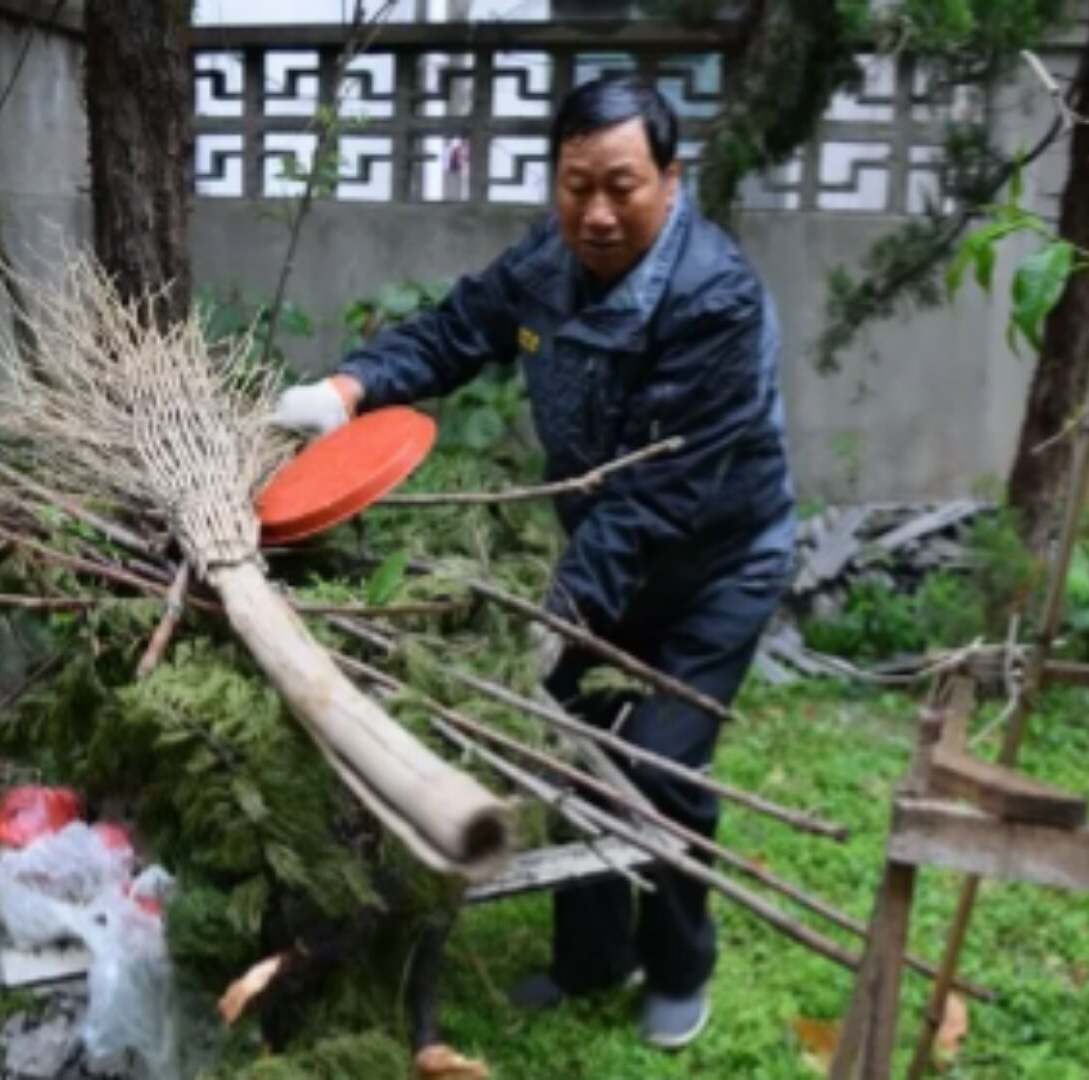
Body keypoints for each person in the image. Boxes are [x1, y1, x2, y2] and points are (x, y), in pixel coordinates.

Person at [271, 75, 795, 1050]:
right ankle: (595, 957)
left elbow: (657, 496)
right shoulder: (547, 266)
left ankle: (680, 967)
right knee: (578, 745)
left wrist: (549, 623)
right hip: (602, 549)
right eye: (574, 184)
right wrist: (347, 389)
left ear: (672, 179)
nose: (595, 213)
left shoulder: (715, 300)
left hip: (714, 566)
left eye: (622, 186)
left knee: (661, 765)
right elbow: (457, 329)